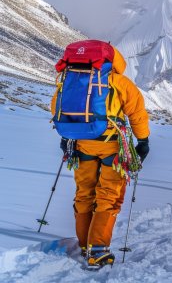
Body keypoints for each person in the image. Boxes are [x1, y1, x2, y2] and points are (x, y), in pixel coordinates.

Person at [51, 41, 150, 269]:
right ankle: (98, 250)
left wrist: (68, 134)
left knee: (84, 193)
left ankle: (85, 244)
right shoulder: (118, 81)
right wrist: (143, 140)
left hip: (81, 144)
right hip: (111, 145)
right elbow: (136, 112)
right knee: (109, 196)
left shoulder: (71, 77)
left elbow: (56, 105)